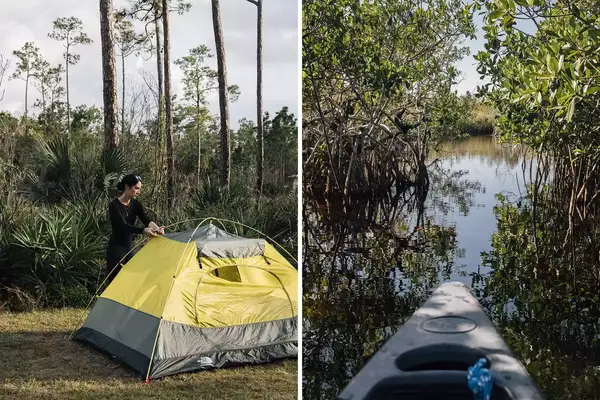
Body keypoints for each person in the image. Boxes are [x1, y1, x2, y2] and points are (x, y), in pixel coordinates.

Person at [105, 174, 165, 284]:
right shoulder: (114, 205)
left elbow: (146, 219)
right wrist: (143, 231)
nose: (139, 192)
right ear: (127, 187)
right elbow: (123, 226)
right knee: (115, 281)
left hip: (131, 247)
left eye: (139, 189)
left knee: (131, 279)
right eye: (136, 188)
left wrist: (157, 229)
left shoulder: (136, 204)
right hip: (117, 249)